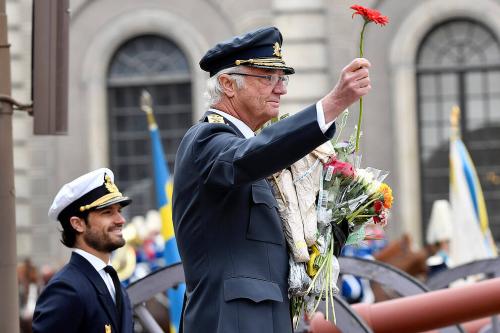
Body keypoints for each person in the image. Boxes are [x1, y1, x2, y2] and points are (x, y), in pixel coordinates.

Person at [172, 26, 371, 333]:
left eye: (282, 79)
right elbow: (251, 156)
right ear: (227, 84)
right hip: (231, 322)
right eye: (267, 78)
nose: (281, 89)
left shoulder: (250, 150)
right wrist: (332, 104)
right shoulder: (206, 140)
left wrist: (346, 214)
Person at [32, 168, 134, 333]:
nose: (120, 220)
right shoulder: (65, 289)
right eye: (107, 212)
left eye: (119, 211)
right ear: (77, 223)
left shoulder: (115, 284)